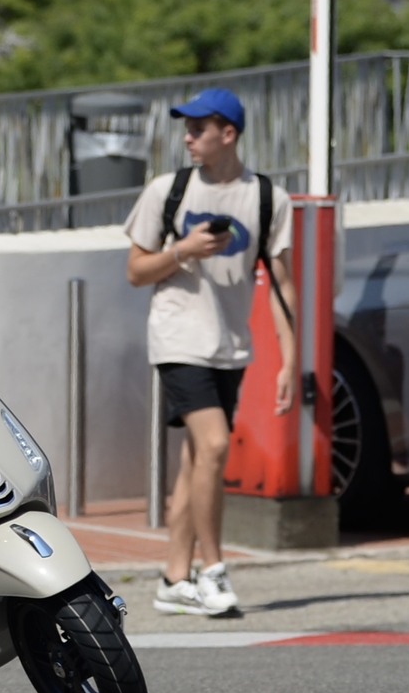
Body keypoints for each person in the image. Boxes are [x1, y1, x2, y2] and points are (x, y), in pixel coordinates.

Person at [123, 88, 297, 617]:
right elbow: (135, 272)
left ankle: (174, 578)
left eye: (199, 128)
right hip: (178, 337)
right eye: (187, 128)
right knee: (216, 445)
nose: (188, 138)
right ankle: (214, 571)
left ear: (229, 133)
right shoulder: (166, 191)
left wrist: (291, 359)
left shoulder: (269, 198)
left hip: (231, 345)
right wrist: (182, 250)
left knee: (196, 460)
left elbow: (283, 285)